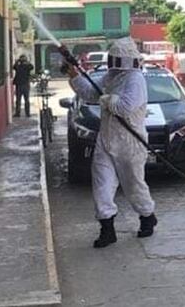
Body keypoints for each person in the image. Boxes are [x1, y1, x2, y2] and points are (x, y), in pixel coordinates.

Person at [64, 38, 157, 248]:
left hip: (130, 142)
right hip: (106, 139)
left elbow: (124, 107)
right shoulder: (112, 77)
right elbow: (90, 93)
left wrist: (105, 99)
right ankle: (107, 229)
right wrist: (75, 76)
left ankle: (147, 216)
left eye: (116, 58)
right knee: (102, 186)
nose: (112, 62)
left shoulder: (136, 80)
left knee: (133, 185)